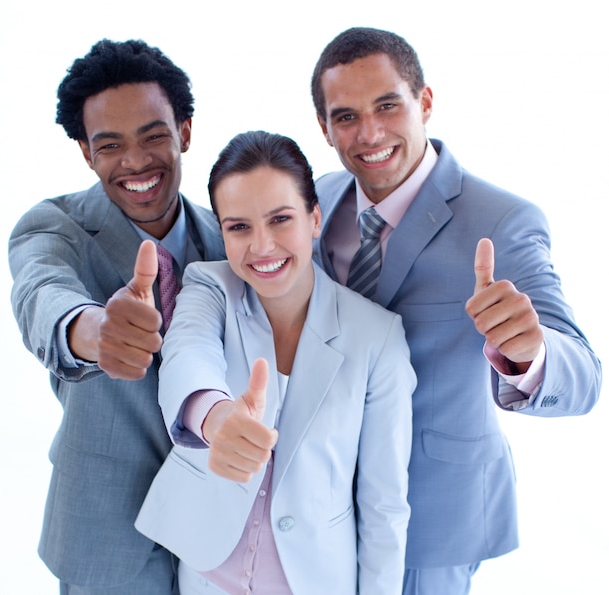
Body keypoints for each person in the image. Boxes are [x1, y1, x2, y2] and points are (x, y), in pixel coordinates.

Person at [310, 26, 602, 595]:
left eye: (388, 105)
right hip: (322, 502)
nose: (369, 133)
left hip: (435, 513)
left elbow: (585, 378)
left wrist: (532, 353)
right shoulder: (313, 201)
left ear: (424, 102)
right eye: (345, 116)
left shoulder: (501, 220)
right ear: (324, 128)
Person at [135, 130, 416, 594]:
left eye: (280, 219)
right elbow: (188, 355)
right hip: (206, 576)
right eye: (239, 227)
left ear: (315, 218)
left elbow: (385, 504)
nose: (262, 247)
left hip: (313, 579)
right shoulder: (210, 286)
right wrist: (216, 417)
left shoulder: (377, 337)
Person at [8, 39, 225, 594]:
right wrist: (94, 331)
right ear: (86, 152)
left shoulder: (233, 237)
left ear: (185, 131)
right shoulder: (54, 226)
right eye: (110, 145)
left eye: (153, 135)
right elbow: (42, 294)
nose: (135, 162)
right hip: (108, 536)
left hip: (223, 531)